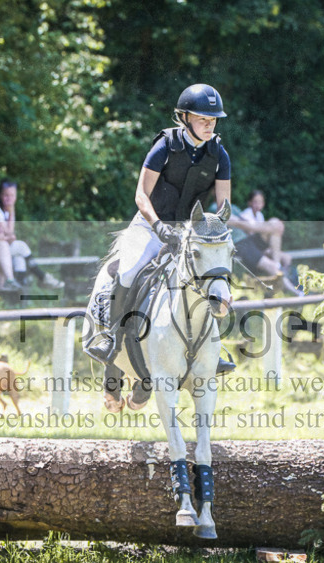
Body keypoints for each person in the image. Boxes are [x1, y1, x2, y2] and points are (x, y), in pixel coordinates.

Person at [84, 83, 235, 374]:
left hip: (191, 232)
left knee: (213, 278)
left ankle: (213, 350)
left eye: (213, 120)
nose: (209, 125)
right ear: (184, 117)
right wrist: (159, 227)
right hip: (149, 224)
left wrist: (211, 234)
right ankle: (111, 338)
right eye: (203, 119)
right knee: (128, 272)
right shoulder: (165, 146)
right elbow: (141, 195)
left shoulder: (219, 155)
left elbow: (223, 206)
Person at [0, 179, 64, 290]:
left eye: (12, 195)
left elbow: (9, 236)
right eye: (6, 195)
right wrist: (12, 213)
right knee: (21, 246)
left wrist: (11, 215)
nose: (9, 198)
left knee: (20, 257)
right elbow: (9, 234)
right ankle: (43, 277)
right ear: (0, 195)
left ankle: (19, 291)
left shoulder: (5, 210)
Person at [233, 189, 301, 296]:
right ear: (249, 203)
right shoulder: (246, 214)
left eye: (260, 202)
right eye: (255, 202)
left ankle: (284, 275)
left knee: (287, 257)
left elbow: (260, 233)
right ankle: (285, 281)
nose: (258, 205)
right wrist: (271, 227)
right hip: (248, 246)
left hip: (255, 245)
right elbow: (250, 232)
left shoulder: (259, 215)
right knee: (274, 223)